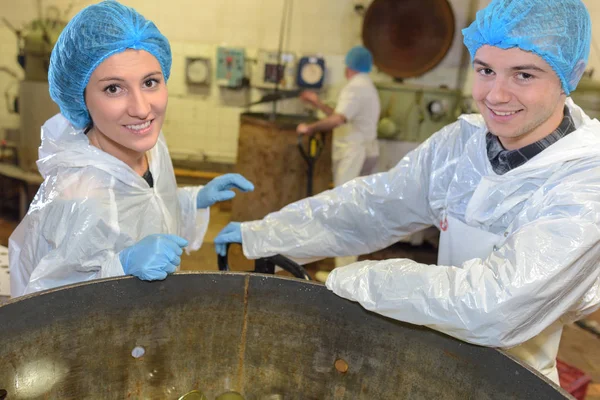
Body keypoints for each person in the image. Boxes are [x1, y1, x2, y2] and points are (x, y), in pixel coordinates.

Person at [214, 0, 600, 384]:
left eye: (524, 75)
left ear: (570, 75)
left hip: (520, 384)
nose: (495, 95)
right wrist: (265, 234)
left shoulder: (585, 177)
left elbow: (497, 307)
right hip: (440, 364)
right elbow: (374, 206)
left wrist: (364, 280)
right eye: (485, 70)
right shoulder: (461, 144)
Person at [8, 1, 253, 297]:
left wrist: (193, 201)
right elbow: (43, 302)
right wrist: (120, 267)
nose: (141, 109)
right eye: (114, 88)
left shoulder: (151, 146)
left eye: (150, 82)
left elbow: (145, 206)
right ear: (81, 97)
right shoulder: (77, 196)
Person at [297, 45, 381, 269]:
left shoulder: (355, 87)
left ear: (348, 67)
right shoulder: (366, 85)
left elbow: (337, 121)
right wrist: (316, 103)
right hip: (364, 150)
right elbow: (340, 114)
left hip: (354, 152)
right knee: (354, 207)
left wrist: (310, 128)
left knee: (345, 209)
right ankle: (347, 266)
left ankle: (343, 271)